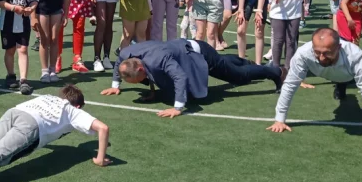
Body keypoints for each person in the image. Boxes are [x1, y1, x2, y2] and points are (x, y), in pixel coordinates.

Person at [266, 28, 362, 151]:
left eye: (326, 53)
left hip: (347, 75)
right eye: (317, 52)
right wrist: (279, 119)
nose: (321, 57)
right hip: (327, 72)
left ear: (339, 47)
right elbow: (290, 85)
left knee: (353, 92)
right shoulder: (303, 53)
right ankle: (339, 84)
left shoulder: (357, 57)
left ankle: (341, 85)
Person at [101, 38, 283, 118]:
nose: (141, 82)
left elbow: (180, 76)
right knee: (226, 64)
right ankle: (241, 60)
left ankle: (275, 72)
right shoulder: (127, 54)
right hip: (182, 51)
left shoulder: (158, 60)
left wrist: (177, 108)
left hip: (200, 53)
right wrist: (116, 85)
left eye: (139, 79)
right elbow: (120, 64)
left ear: (140, 68)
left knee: (238, 77)